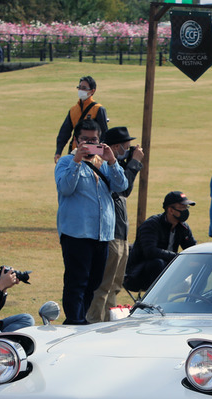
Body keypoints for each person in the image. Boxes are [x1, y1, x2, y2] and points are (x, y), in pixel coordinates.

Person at [55, 119, 127, 325]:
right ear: (76, 140)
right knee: (76, 281)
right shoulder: (65, 163)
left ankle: (82, 318)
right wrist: (77, 161)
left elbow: (121, 185)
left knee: (94, 282)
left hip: (102, 233)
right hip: (77, 233)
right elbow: (66, 188)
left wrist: (113, 161)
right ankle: (74, 321)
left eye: (93, 139)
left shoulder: (103, 164)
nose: (88, 143)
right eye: (84, 139)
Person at [86, 126, 144, 323]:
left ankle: (109, 322)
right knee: (104, 284)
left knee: (115, 285)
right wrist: (135, 162)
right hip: (110, 234)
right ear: (116, 147)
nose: (127, 152)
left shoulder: (116, 166)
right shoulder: (103, 165)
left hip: (121, 233)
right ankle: (94, 321)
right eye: (125, 148)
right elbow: (123, 188)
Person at [124, 191, 197, 292]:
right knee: (157, 263)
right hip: (138, 275)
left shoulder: (183, 227)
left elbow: (192, 248)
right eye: (182, 208)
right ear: (170, 210)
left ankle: (194, 300)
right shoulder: (151, 225)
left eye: (186, 208)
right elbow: (150, 251)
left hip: (167, 271)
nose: (185, 211)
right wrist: (177, 257)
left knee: (199, 262)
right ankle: (162, 296)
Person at [54, 76, 108, 163]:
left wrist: (98, 152)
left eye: (84, 88)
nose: (81, 90)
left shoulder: (98, 109)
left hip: (92, 155)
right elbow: (64, 132)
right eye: (79, 87)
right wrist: (58, 151)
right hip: (75, 152)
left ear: (92, 91)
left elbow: (104, 134)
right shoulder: (73, 110)